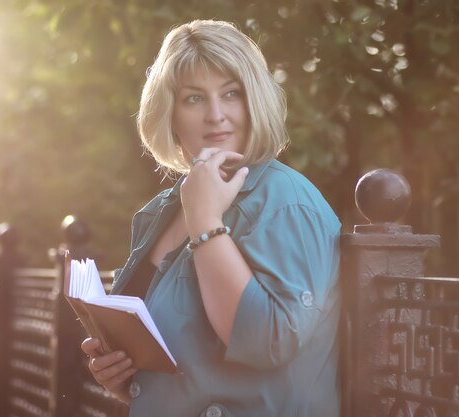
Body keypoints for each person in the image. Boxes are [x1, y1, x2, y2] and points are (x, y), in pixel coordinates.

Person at [81, 19, 341, 417]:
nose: (216, 115)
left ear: (254, 99)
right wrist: (124, 378)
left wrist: (204, 219)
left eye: (231, 93)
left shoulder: (287, 202)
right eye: (194, 98)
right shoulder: (158, 212)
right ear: (170, 113)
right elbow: (177, 360)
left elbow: (268, 341)